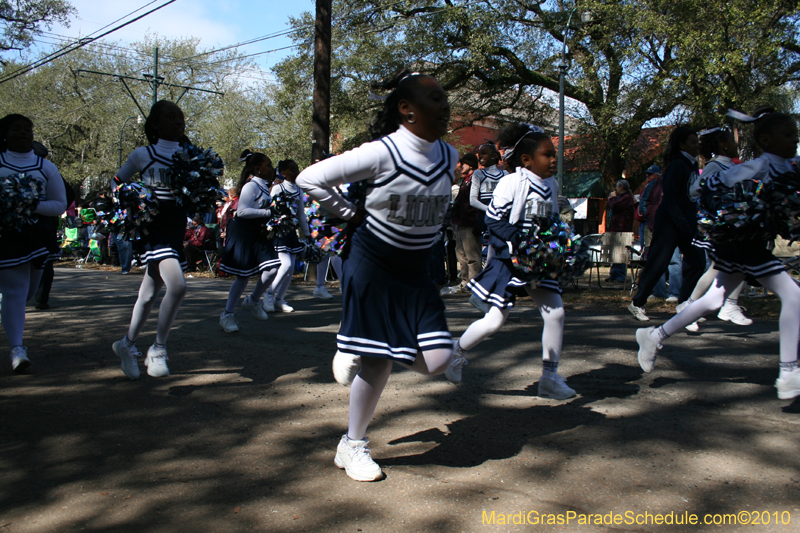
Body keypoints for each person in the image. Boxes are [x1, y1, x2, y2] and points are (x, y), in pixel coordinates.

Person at [296, 70, 457, 482]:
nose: (445, 105)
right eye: (435, 98)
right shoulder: (382, 152)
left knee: (440, 361)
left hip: (416, 269)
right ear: (407, 110)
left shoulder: (450, 156)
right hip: (373, 264)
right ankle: (353, 444)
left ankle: (357, 341)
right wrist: (350, 213)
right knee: (380, 361)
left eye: (444, 97)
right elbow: (309, 178)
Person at [636, 106, 800, 400]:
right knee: (794, 296)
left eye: (795, 135)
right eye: (787, 135)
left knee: (714, 299)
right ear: (765, 140)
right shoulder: (760, 165)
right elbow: (701, 188)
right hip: (743, 244)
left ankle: (654, 335)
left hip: (750, 242)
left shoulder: (791, 165)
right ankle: (788, 372)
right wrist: (731, 203)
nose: (795, 140)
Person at [444, 123, 575, 400]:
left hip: (539, 261)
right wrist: (520, 240)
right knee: (494, 320)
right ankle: (457, 352)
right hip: (510, 261)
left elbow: (551, 221)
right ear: (526, 159)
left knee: (555, 313)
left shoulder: (551, 184)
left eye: (554, 154)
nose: (554, 159)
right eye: (547, 154)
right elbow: (493, 220)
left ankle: (549, 378)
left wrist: (558, 242)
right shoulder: (511, 182)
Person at [111, 100, 199, 379]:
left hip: (176, 226)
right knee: (178, 286)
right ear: (155, 124)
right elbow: (117, 181)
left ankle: (126, 345)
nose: (178, 121)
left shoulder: (191, 155)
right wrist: (132, 200)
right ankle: (158, 349)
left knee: (148, 294)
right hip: (153, 227)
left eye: (180, 117)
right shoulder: (143, 154)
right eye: (170, 117)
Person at [0, 114, 67, 371]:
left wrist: (27, 204)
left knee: (27, 293)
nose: (22, 133)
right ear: (4, 134)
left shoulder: (45, 167)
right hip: (7, 236)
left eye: (27, 129)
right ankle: (17, 349)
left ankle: (7, 307)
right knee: (16, 291)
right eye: (16, 129)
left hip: (38, 236)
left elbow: (59, 204)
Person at [676, 127, 752, 331]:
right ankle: (695, 306)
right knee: (720, 266)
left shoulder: (733, 166)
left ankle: (722, 305)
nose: (737, 145)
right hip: (718, 225)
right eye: (733, 142)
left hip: (733, 224)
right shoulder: (714, 166)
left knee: (734, 264)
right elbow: (694, 189)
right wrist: (716, 189)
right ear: (723, 145)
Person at [628, 127, 706, 321]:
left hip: (686, 222)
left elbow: (690, 198)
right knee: (658, 263)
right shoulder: (677, 165)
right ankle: (637, 303)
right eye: (692, 142)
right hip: (670, 224)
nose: (697, 146)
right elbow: (670, 198)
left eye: (697, 142)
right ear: (682, 145)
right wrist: (682, 224)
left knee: (697, 261)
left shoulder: (692, 164)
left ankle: (685, 304)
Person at [218, 150, 281, 333]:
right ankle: (227, 315)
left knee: (272, 268)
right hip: (243, 232)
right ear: (257, 168)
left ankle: (253, 300)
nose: (271, 168)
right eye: (268, 165)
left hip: (258, 232)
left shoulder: (265, 186)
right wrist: (269, 213)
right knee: (243, 276)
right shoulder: (251, 186)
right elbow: (242, 211)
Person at [264, 159, 310, 313]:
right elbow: (271, 210)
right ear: (283, 173)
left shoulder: (299, 190)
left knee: (290, 270)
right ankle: (268, 295)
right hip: (279, 231)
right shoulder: (278, 188)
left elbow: (301, 214)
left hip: (291, 232)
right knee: (287, 265)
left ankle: (280, 299)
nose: (296, 172)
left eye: (297, 169)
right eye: (292, 170)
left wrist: (307, 234)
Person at [450, 153, 482, 290]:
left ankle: (474, 283)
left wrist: (474, 219)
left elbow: (473, 202)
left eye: (463, 164)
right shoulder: (465, 180)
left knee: (472, 255)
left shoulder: (475, 178)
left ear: (470, 165)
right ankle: (465, 281)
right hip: (460, 221)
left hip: (470, 222)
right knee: (461, 254)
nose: (460, 166)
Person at [605, 179, 635, 282]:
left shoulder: (627, 198)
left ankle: (620, 275)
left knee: (621, 253)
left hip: (622, 228)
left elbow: (614, 205)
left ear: (621, 187)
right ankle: (613, 274)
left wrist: (612, 198)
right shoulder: (620, 197)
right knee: (614, 253)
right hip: (615, 228)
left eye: (617, 187)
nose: (616, 189)